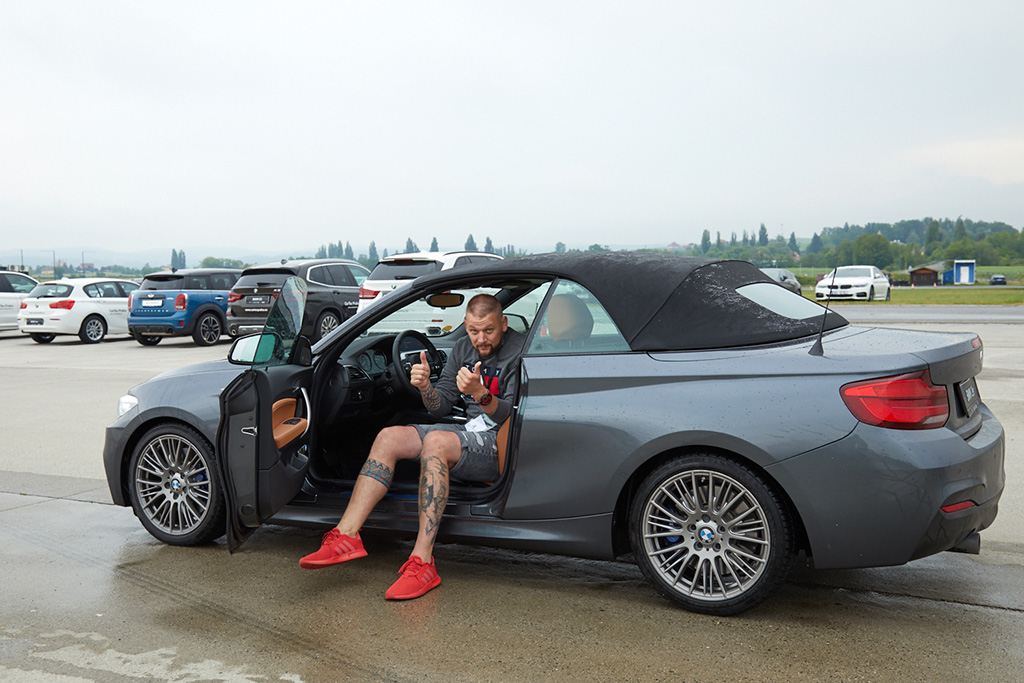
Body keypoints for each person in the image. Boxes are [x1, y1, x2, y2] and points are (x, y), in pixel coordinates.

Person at [299, 293, 525, 600]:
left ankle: (423, 561)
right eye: (474, 331)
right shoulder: (462, 348)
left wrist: (481, 394)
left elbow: (511, 415)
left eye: (489, 330)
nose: (481, 339)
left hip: (502, 441)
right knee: (389, 436)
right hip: (469, 431)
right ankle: (347, 535)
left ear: (504, 324)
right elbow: (440, 407)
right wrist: (425, 387)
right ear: (465, 325)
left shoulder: (519, 352)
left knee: (436, 441)